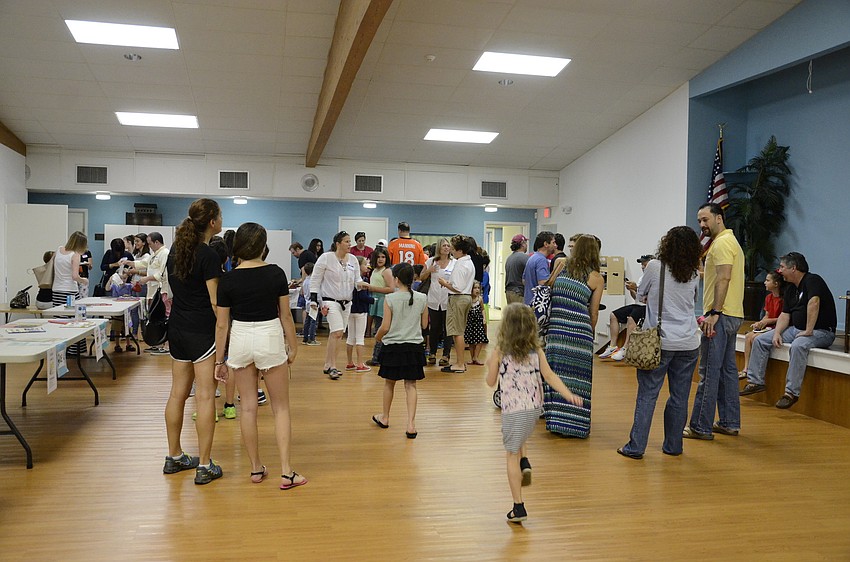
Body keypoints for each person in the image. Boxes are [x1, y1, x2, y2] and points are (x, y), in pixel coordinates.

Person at [214, 222, 306, 490]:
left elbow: (222, 325)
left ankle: (256, 468)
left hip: (241, 338)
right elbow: (286, 315)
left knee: (248, 408)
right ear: (263, 245)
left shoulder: (228, 279)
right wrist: (293, 345)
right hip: (269, 336)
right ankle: (286, 472)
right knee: (281, 408)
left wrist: (220, 361)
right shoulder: (276, 273)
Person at [485, 303, 583, 524]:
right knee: (521, 436)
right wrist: (568, 395)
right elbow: (549, 376)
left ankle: (518, 507)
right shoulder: (536, 351)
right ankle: (525, 462)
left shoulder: (500, 352)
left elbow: (491, 382)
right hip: (534, 409)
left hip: (513, 411)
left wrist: (491, 363)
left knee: (510, 454)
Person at [617, 227, 702, 459]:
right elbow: (691, 300)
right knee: (679, 397)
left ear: (667, 244)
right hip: (688, 343)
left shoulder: (655, 267)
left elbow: (640, 296)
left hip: (659, 342)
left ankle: (636, 447)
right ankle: (673, 446)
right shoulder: (694, 272)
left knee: (647, 395)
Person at [162, 198, 224, 485]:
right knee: (204, 396)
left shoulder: (177, 250)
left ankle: (174, 456)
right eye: (220, 216)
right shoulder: (209, 256)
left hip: (177, 329)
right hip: (202, 332)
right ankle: (205, 464)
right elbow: (215, 303)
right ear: (212, 221)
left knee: (178, 393)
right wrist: (226, 332)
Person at [740, 252, 837, 409]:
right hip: (797, 329)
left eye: (782, 267)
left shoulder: (813, 280)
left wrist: (808, 330)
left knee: (799, 345)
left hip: (821, 332)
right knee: (760, 340)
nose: (780, 270)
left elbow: (814, 302)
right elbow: (785, 314)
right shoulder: (791, 288)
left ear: (794, 268)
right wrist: (777, 332)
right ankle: (755, 381)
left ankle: (791, 393)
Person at [684, 203, 745, 440]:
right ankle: (730, 421)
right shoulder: (731, 242)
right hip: (733, 314)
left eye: (705, 220)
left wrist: (714, 312)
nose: (702, 225)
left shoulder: (720, 244)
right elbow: (718, 275)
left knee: (708, 370)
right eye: (699, 220)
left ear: (719, 218)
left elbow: (724, 277)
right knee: (728, 370)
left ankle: (700, 425)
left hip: (720, 315)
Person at [543, 234, 604, 437]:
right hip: (581, 334)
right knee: (579, 380)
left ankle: (556, 422)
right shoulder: (596, 277)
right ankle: (576, 425)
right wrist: (590, 334)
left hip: (557, 329)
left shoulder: (562, 264)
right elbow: (593, 313)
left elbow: (549, 287)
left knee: (556, 375)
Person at [371, 263, 429, 439]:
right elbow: (424, 325)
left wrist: (377, 338)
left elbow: (385, 327)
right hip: (414, 347)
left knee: (390, 383)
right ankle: (411, 425)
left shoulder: (391, 299)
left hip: (393, 347)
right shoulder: (422, 298)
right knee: (411, 385)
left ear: (396, 279)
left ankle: (385, 417)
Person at [310, 231, 359, 380]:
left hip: (346, 302)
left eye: (350, 241)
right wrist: (313, 299)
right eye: (346, 241)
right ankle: (333, 366)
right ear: (338, 244)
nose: (349, 244)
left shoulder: (353, 260)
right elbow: (315, 279)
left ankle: (327, 364)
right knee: (337, 332)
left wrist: (364, 285)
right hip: (330, 300)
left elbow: (357, 279)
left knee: (337, 335)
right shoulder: (326, 258)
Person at [600, 254, 653, 361]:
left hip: (648, 307)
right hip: (638, 305)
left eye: (645, 264)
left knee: (631, 317)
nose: (642, 267)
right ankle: (612, 346)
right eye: (642, 265)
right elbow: (637, 297)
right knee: (614, 315)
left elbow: (651, 297)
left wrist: (636, 289)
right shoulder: (642, 278)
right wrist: (632, 290)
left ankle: (626, 347)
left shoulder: (654, 279)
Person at [438, 235, 476, 373]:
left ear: (460, 250)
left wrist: (444, 283)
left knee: (457, 332)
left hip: (458, 298)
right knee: (458, 330)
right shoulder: (469, 262)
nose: (451, 251)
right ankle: (459, 362)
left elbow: (458, 287)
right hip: (465, 297)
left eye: (453, 249)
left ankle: (460, 363)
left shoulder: (460, 264)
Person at [130, 231, 171, 354]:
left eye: (150, 244)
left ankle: (167, 345)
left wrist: (146, 278)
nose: (149, 246)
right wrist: (129, 263)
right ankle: (157, 342)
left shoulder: (164, 253)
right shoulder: (155, 254)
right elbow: (144, 264)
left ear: (157, 242)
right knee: (154, 317)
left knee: (164, 317)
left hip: (162, 290)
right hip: (153, 290)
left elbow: (162, 273)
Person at [739, 270, 785, 380]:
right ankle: (746, 368)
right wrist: (760, 323)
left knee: (755, 338)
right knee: (749, 336)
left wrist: (767, 322)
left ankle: (754, 371)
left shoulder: (783, 299)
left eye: (767, 280)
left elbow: (782, 318)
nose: (764, 282)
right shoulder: (768, 298)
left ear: (776, 284)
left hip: (778, 327)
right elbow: (767, 315)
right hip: (768, 326)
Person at [52, 231, 90, 352]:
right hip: (69, 291)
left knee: (59, 320)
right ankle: (74, 349)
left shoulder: (58, 250)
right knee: (76, 320)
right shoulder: (75, 255)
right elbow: (74, 276)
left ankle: (59, 349)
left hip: (56, 289)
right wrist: (83, 280)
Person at [420, 237, 455, 366]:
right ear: (439, 248)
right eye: (444, 245)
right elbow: (421, 277)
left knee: (448, 328)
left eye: (448, 246)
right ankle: (433, 352)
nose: (446, 248)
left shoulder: (454, 263)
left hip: (448, 299)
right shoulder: (430, 261)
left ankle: (446, 355)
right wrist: (429, 270)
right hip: (434, 298)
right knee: (434, 327)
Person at [365, 246, 394, 366]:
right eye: (378, 257)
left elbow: (391, 289)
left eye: (383, 257)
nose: (381, 259)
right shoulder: (375, 270)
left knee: (380, 330)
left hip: (383, 301)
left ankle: (377, 357)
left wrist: (372, 288)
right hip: (376, 301)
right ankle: (378, 357)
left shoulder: (386, 271)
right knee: (378, 329)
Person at [345, 256, 373, 372]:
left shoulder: (349, 279)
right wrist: (373, 300)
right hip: (361, 310)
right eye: (365, 264)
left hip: (350, 310)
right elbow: (362, 297)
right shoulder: (361, 281)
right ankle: (360, 364)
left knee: (350, 337)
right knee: (360, 337)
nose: (367, 266)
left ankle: (350, 362)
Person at [105, 265, 139, 353]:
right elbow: (107, 288)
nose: (123, 280)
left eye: (125, 278)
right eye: (122, 278)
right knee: (117, 327)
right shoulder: (115, 285)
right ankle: (117, 344)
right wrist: (110, 280)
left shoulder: (128, 286)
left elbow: (137, 289)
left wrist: (136, 284)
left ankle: (128, 344)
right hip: (117, 309)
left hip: (126, 309)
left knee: (127, 327)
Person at [522, 231, 556, 305]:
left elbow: (524, 280)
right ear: (546, 244)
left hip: (529, 301)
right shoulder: (541, 260)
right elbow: (543, 283)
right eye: (553, 243)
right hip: (537, 304)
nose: (555, 246)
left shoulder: (532, 258)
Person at [464, 281, 489, 365]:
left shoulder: (480, 299)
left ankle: (476, 357)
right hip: (470, 322)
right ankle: (472, 358)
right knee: (471, 341)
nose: (477, 290)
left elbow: (482, 309)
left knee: (480, 340)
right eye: (475, 288)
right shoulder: (468, 299)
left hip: (478, 322)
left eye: (478, 288)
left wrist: (484, 318)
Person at [504, 234, 529, 305]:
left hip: (509, 292)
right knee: (520, 315)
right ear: (522, 244)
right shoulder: (524, 257)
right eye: (526, 243)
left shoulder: (509, 258)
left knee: (512, 315)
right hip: (518, 293)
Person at [300, 262, 319, 346]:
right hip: (312, 302)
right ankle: (311, 339)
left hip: (307, 301)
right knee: (313, 321)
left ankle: (305, 338)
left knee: (308, 321)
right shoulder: (312, 281)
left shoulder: (305, 281)